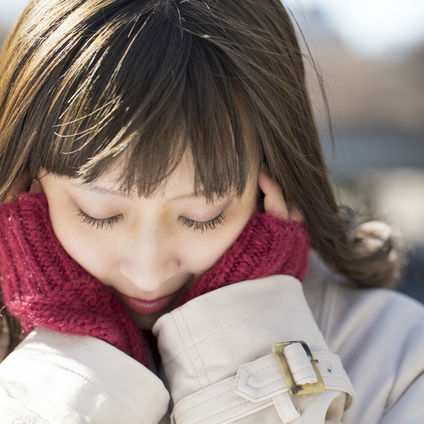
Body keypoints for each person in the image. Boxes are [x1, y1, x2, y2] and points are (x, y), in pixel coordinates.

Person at [0, 0, 422, 422]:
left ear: (276, 180)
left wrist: (250, 353)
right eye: (99, 212)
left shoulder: (399, 359)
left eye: (202, 215)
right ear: (24, 183)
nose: (149, 272)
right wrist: (76, 373)